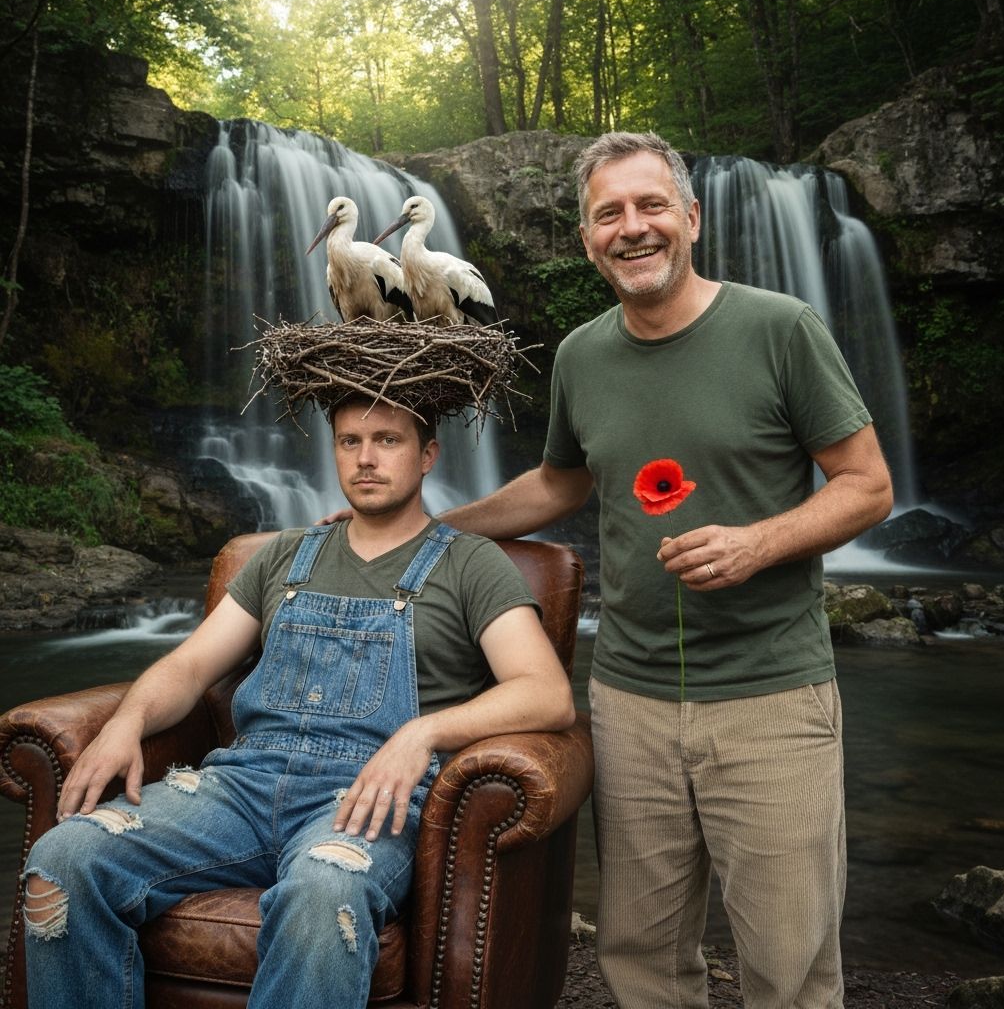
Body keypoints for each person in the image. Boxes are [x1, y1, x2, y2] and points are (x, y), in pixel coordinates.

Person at [430, 132, 894, 1008]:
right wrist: (427, 528)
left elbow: (867, 486)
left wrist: (759, 542)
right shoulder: (580, 355)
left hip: (771, 699)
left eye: (650, 207)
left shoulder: (781, 329)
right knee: (641, 958)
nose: (632, 228)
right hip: (630, 697)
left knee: (790, 964)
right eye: (610, 213)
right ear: (586, 238)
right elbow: (560, 482)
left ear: (690, 217)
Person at [21, 395, 575, 1009]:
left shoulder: (471, 563)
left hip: (369, 799)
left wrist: (420, 735)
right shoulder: (285, 556)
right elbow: (189, 666)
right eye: (349, 442)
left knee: (320, 892)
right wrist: (128, 720)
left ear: (427, 457)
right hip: (241, 787)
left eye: (387, 441)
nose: (366, 459)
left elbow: (545, 693)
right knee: (64, 858)